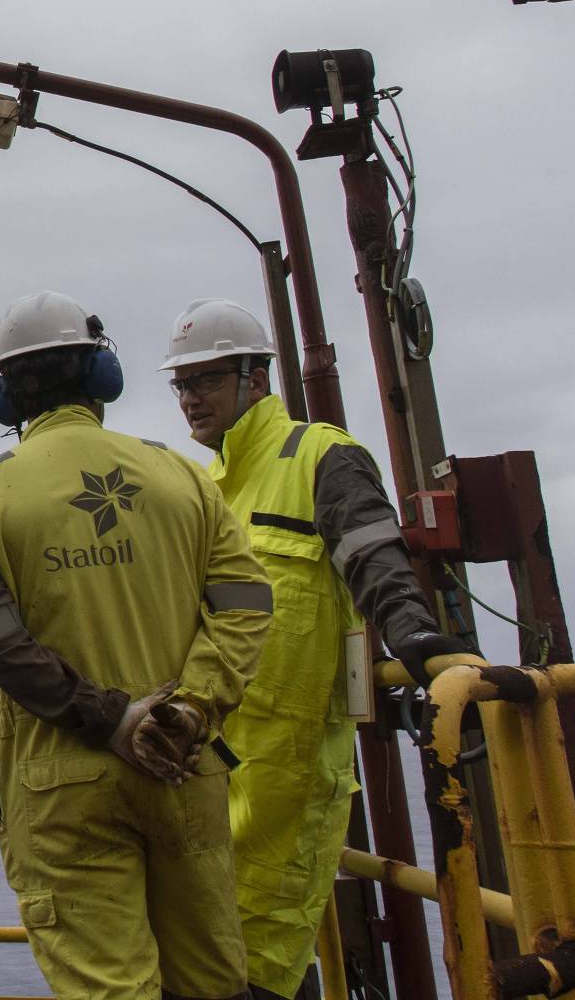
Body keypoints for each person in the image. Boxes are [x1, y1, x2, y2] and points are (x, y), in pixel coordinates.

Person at [0, 291, 274, 1000]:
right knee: (215, 983)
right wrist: (187, 708)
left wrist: (110, 718)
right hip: (183, 761)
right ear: (102, 375)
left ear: (5, 393)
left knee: (108, 987)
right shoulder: (181, 475)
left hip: (63, 779)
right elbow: (247, 605)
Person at [162, 299, 465, 1000]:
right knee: (200, 962)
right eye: (180, 384)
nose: (189, 399)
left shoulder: (322, 456)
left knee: (258, 962)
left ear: (255, 378)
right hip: (203, 764)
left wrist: (416, 638)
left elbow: (374, 559)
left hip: (286, 777)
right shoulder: (203, 489)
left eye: (205, 380)